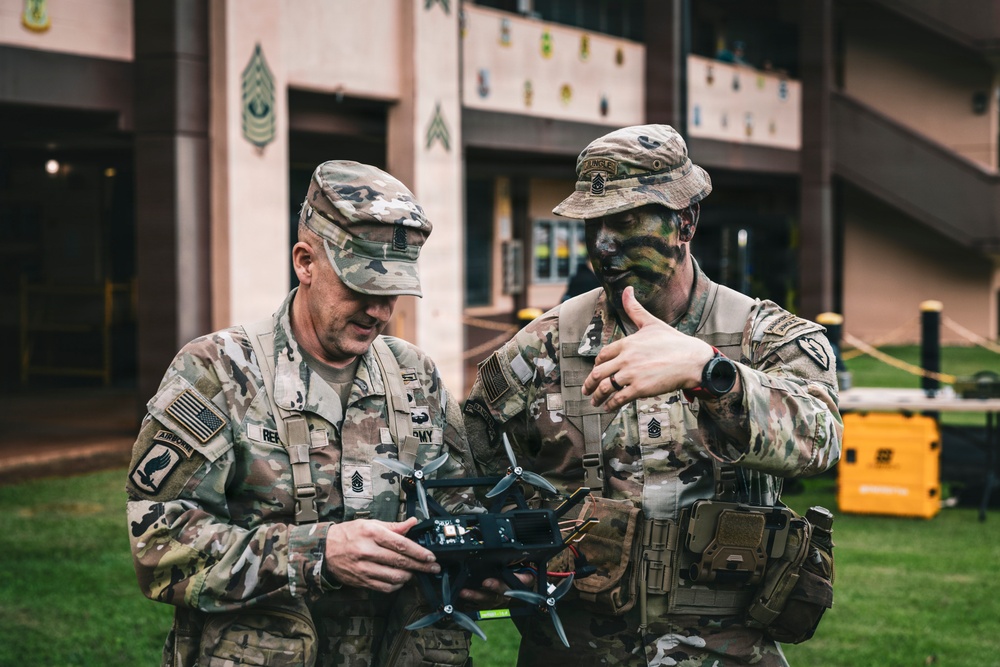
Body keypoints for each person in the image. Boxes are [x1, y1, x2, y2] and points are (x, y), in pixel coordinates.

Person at [462, 125, 843, 666]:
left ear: (684, 221)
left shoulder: (763, 337)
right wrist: (500, 555)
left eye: (624, 221)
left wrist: (711, 373)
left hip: (723, 650)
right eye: (593, 224)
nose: (602, 244)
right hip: (575, 649)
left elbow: (822, 438)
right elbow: (469, 462)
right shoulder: (545, 345)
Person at [126, 161, 493, 667]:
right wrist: (318, 553)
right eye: (362, 288)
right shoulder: (216, 371)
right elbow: (159, 543)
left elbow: (463, 512)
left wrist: (482, 564)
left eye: (391, 294)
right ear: (305, 262)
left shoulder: (415, 377)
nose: (379, 312)